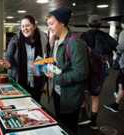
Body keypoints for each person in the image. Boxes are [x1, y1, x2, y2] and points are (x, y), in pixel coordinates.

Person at [45, 7, 89, 135]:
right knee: (61, 125)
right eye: (48, 25)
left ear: (62, 23)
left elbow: (82, 72)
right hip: (59, 91)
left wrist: (56, 77)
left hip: (70, 95)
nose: (49, 27)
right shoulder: (58, 40)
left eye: (52, 24)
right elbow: (58, 63)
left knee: (69, 128)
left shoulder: (75, 43)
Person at [79, 15, 118, 130]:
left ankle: (83, 117)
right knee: (95, 96)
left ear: (88, 24)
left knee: (84, 93)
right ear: (100, 25)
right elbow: (118, 47)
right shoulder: (106, 36)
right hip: (100, 71)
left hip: (86, 69)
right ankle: (93, 123)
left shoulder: (84, 36)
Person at [2, 15, 48, 103]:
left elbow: (46, 58)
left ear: (34, 26)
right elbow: (9, 57)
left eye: (27, 25)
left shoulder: (42, 40)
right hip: (19, 81)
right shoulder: (15, 40)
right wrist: (9, 64)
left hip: (36, 83)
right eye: (22, 26)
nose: (24, 28)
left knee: (36, 106)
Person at [104, 20, 124, 112]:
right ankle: (117, 98)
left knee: (121, 83)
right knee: (120, 82)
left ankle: (116, 104)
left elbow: (120, 47)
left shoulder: (123, 33)